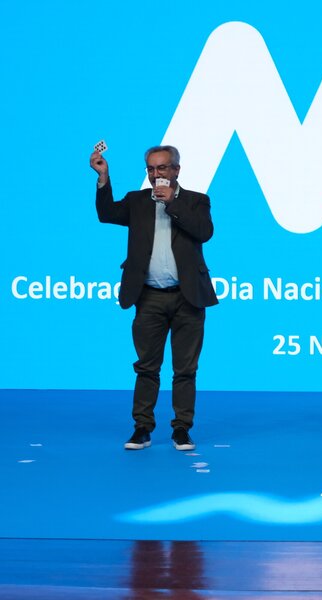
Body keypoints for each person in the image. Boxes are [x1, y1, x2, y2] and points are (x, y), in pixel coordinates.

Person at [90, 145, 218, 451]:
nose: (156, 174)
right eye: (151, 169)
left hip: (188, 297)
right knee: (147, 367)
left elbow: (204, 232)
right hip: (149, 298)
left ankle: (182, 429)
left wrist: (172, 203)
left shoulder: (196, 201)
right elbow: (106, 214)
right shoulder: (137, 201)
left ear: (176, 170)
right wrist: (103, 177)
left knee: (185, 370)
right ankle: (142, 428)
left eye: (162, 168)